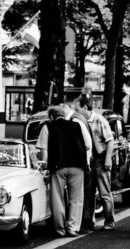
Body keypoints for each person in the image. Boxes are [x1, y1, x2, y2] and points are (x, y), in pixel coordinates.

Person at [74, 94, 116, 231]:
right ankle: (88, 221)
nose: (76, 112)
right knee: (88, 192)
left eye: (78, 109)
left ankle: (109, 221)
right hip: (89, 160)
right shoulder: (79, 122)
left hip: (101, 158)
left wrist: (108, 158)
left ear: (85, 107)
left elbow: (110, 140)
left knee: (104, 192)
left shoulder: (99, 120)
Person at [46, 106, 88, 237]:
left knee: (57, 198)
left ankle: (60, 229)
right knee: (76, 198)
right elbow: (86, 145)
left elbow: (43, 149)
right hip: (77, 165)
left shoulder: (48, 126)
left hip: (58, 166)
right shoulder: (76, 126)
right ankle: (73, 228)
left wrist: (44, 166)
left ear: (51, 116)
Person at [61, 102, 96, 234]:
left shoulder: (75, 121)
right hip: (83, 162)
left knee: (82, 195)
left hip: (83, 162)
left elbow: (87, 144)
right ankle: (82, 223)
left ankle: (84, 223)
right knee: (82, 195)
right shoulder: (78, 119)